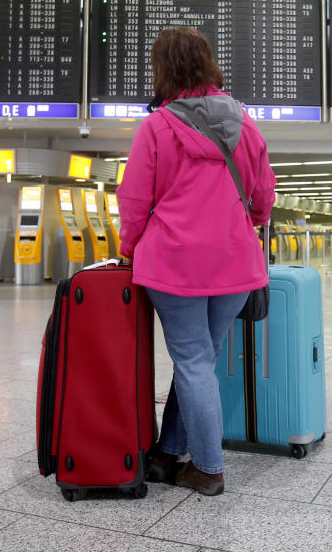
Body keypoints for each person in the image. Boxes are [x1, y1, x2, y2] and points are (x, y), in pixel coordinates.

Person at [117, 26, 276, 497]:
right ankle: (168, 453)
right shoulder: (244, 123)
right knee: (199, 359)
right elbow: (264, 194)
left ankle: (207, 468)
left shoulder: (157, 126)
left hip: (175, 264)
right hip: (234, 266)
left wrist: (128, 248)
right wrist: (253, 220)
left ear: (162, 69)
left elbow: (134, 199)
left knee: (190, 360)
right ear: (208, 64)